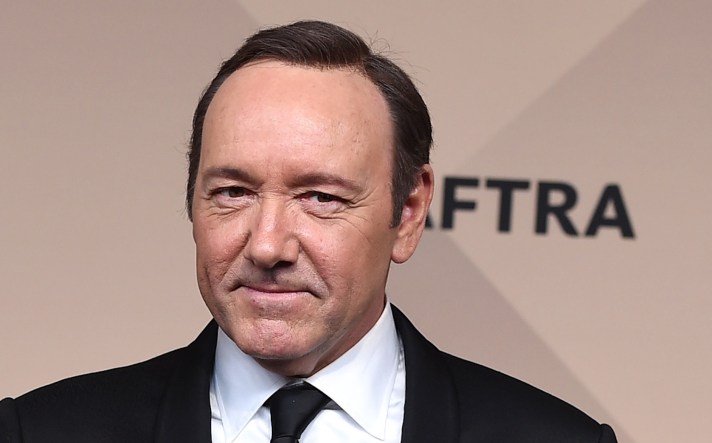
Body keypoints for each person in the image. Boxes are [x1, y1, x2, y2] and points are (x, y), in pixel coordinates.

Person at [0, 20, 617, 442]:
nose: (267, 244)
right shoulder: (39, 432)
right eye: (233, 192)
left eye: (320, 197)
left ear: (407, 214)